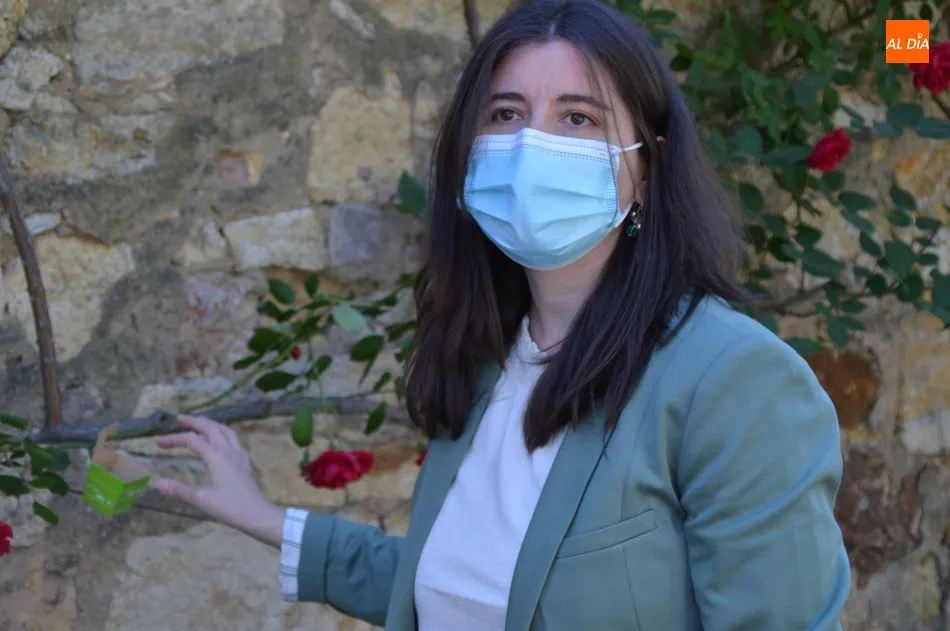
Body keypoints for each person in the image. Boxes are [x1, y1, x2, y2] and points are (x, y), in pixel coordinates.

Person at [155, 0, 852, 628]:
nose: (529, 146)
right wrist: (267, 517)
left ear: (647, 167)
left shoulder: (733, 381)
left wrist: (906, 36)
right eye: (506, 114)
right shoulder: (488, 359)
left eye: (577, 117)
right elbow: (460, 586)